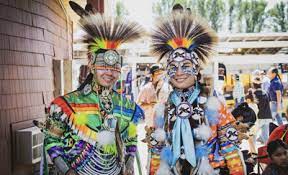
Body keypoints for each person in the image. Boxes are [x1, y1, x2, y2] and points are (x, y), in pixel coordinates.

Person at [36, 2, 145, 175]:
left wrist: (130, 163)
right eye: (103, 66)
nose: (109, 72)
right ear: (92, 65)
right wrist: (67, 170)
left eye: (114, 67)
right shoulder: (66, 105)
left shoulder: (127, 106)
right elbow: (51, 140)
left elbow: (131, 139)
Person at [150, 11, 245, 175]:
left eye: (186, 66)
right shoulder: (162, 109)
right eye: (173, 68)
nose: (179, 72)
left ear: (197, 69)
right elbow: (156, 153)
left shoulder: (214, 105)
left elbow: (231, 150)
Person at [251, 73, 273, 144]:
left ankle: (253, 153)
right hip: (267, 116)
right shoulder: (265, 93)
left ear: (253, 85)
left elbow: (253, 107)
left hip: (258, 118)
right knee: (266, 137)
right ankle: (268, 152)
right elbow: (269, 104)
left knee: (253, 135)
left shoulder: (253, 94)